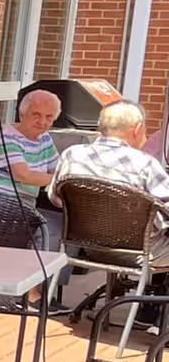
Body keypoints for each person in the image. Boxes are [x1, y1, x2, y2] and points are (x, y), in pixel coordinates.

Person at [54, 100, 169, 266]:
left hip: (86, 246)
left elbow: (55, 198)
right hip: (141, 253)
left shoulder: (71, 155)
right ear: (137, 129)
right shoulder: (144, 164)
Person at [0, 88, 62, 249]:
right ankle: (37, 273)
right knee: (52, 232)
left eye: (49, 117)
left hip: (22, 206)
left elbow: (59, 168)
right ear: (22, 114)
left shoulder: (44, 138)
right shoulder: (7, 136)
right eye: (36, 115)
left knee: (63, 229)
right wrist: (60, 180)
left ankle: (44, 272)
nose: (42, 122)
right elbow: (23, 175)